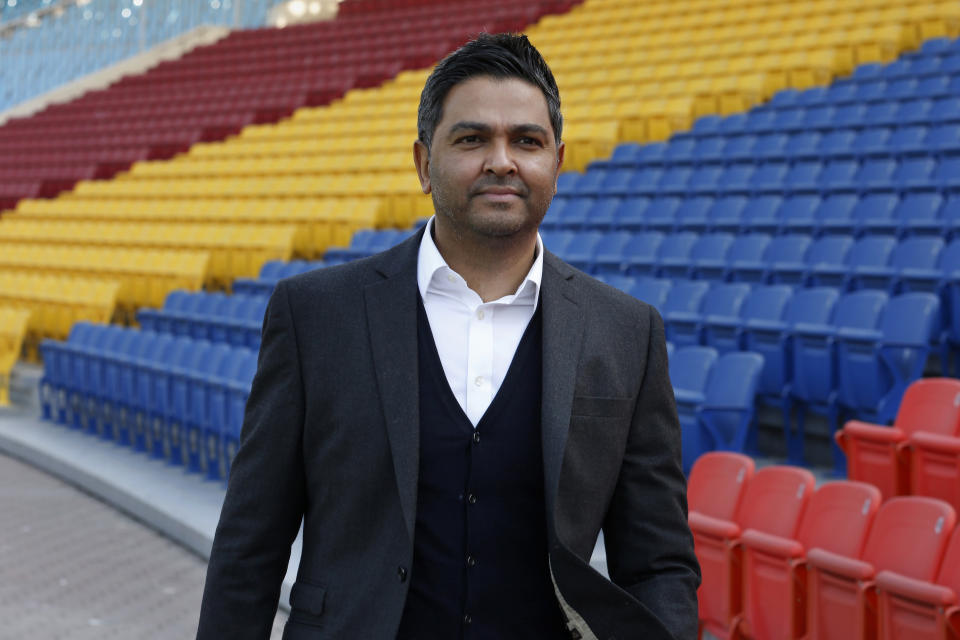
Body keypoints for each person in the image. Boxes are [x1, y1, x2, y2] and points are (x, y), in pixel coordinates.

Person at [197, 32, 699, 640]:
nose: (502, 161)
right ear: (422, 163)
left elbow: (658, 563)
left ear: (557, 164)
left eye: (526, 141)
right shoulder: (314, 315)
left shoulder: (627, 332)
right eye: (472, 139)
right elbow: (250, 544)